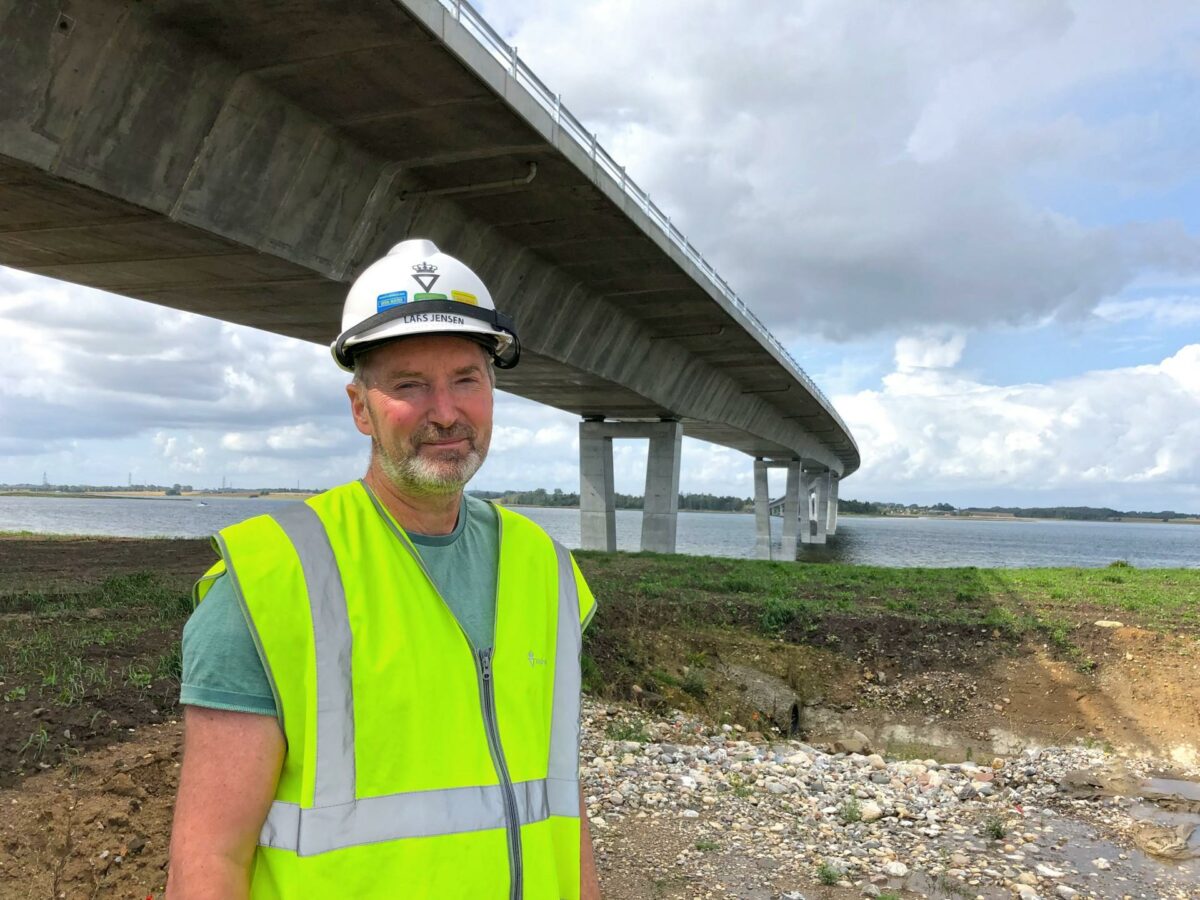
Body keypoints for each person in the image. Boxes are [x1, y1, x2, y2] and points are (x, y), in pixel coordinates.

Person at [167, 240, 601, 899]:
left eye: (466, 378)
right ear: (359, 407)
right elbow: (207, 862)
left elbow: (564, 808)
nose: (447, 411)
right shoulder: (269, 582)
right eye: (409, 386)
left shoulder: (546, 569)